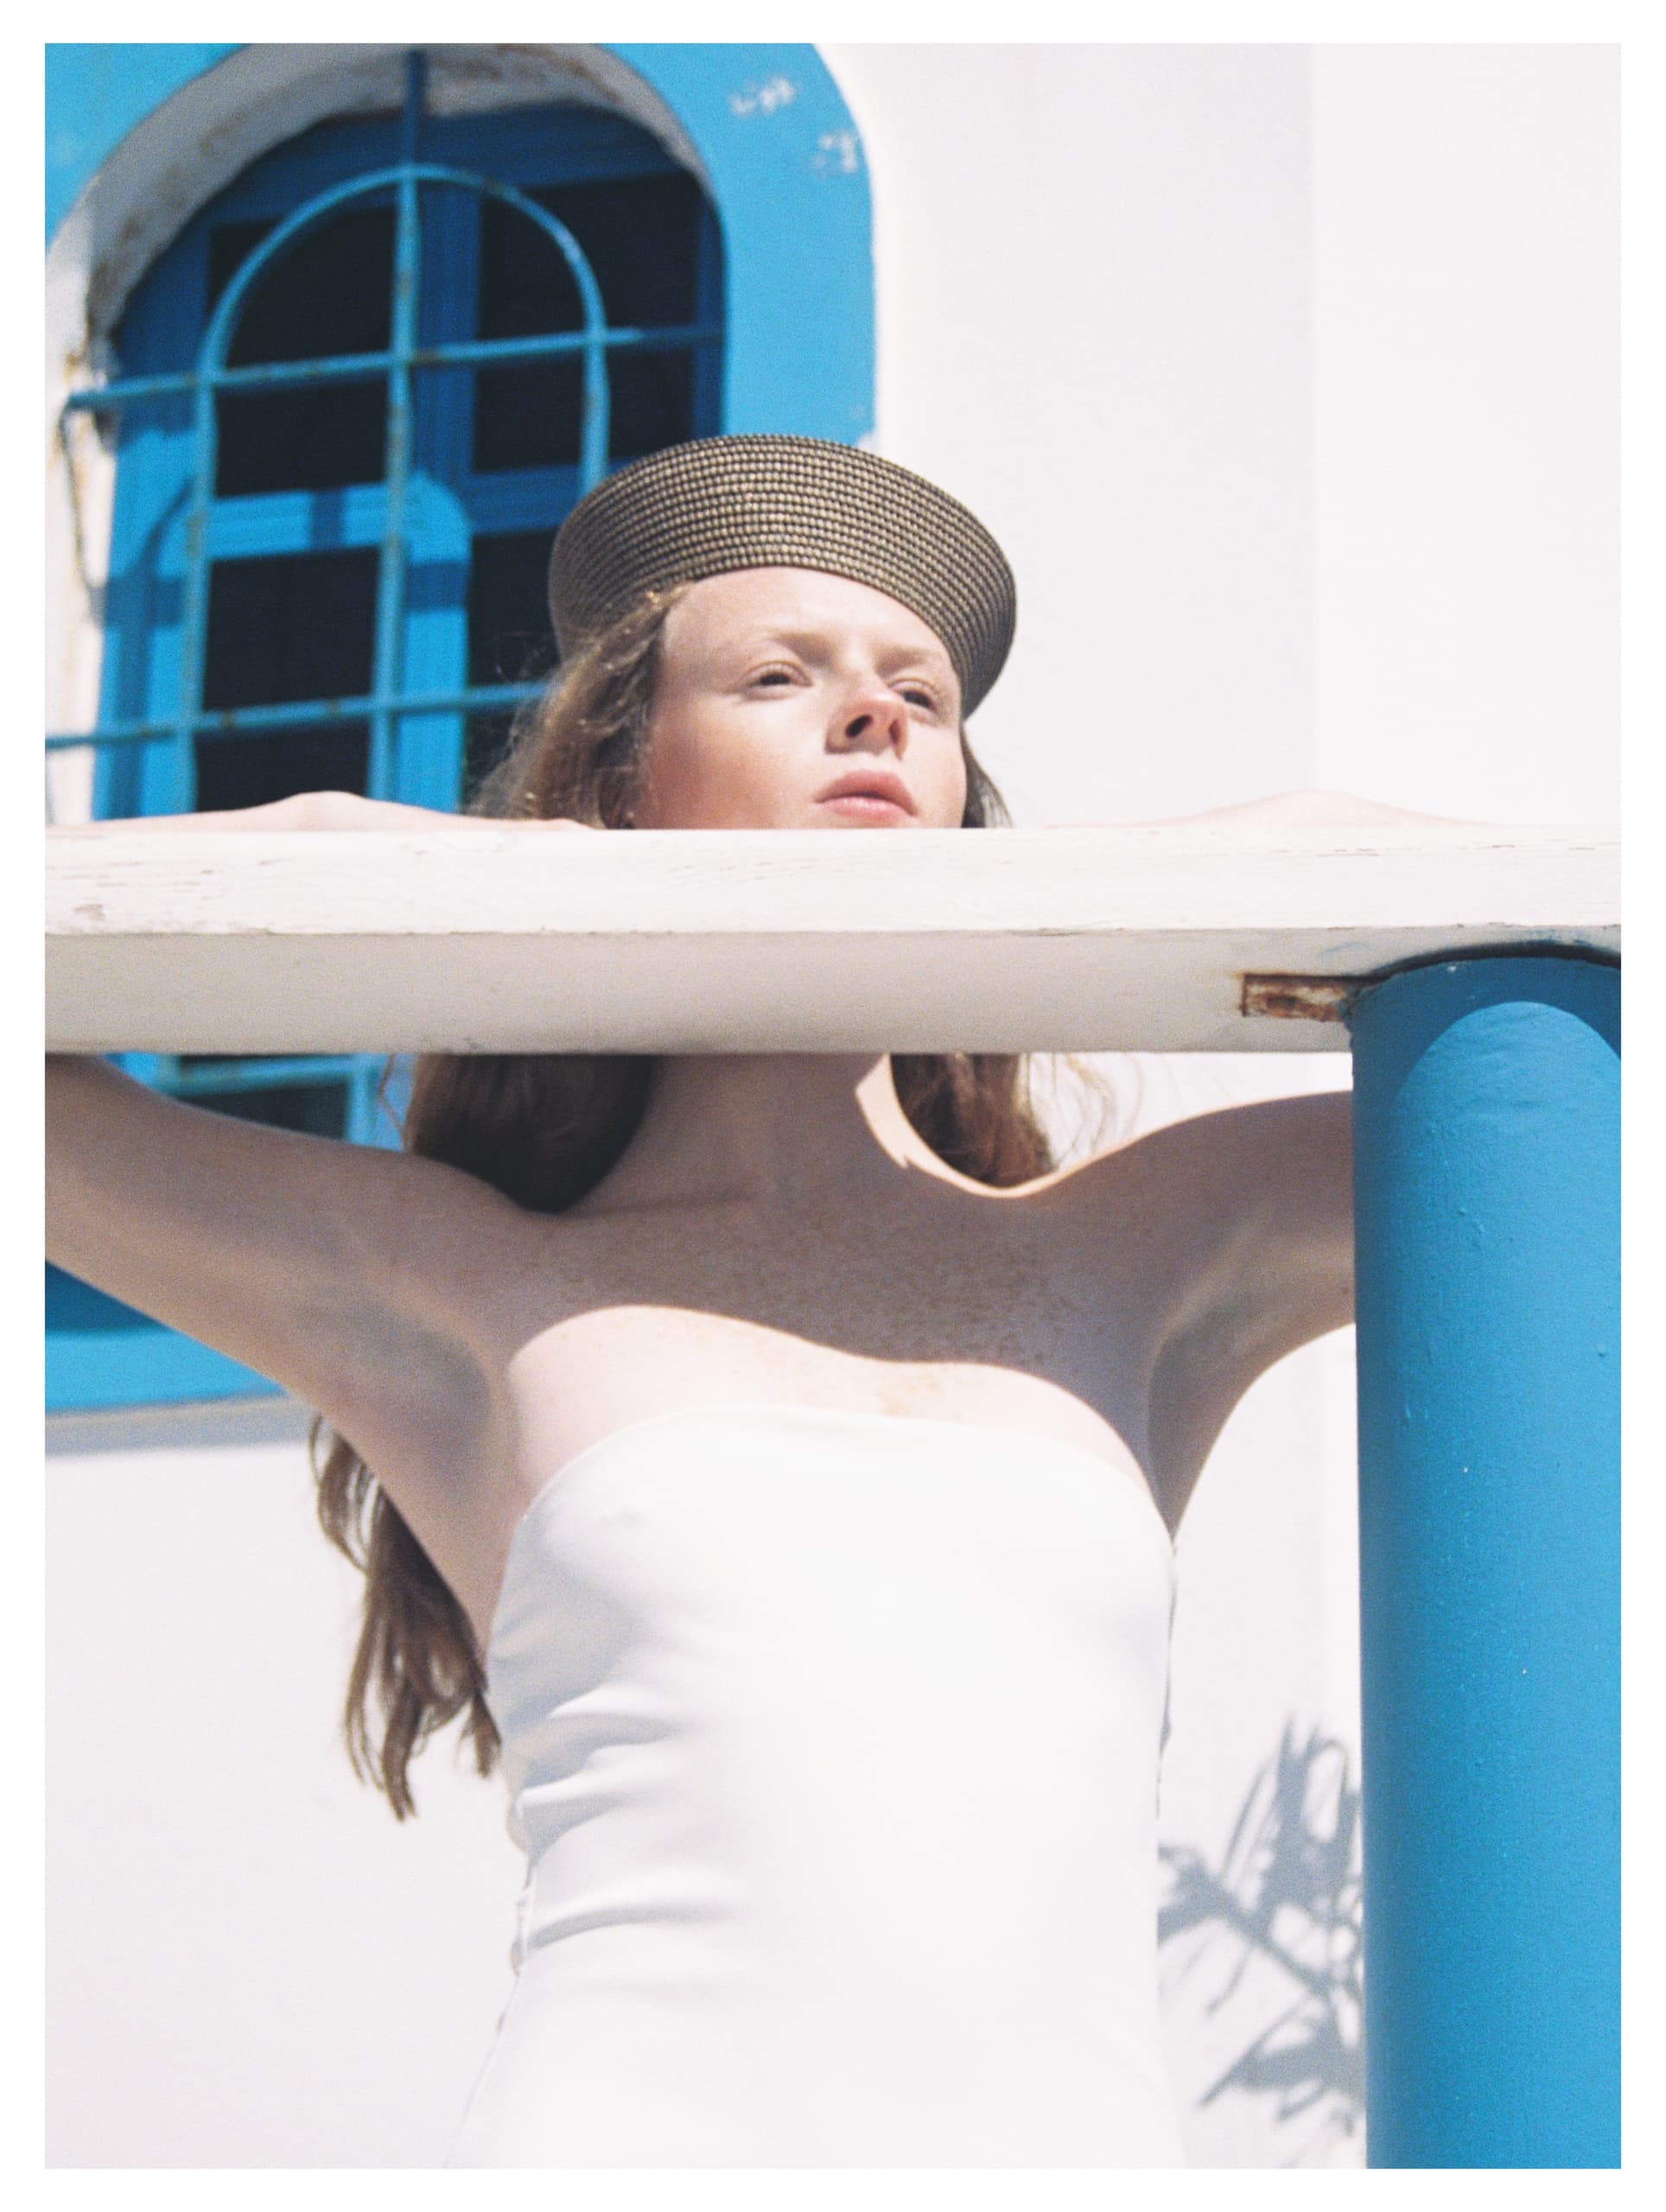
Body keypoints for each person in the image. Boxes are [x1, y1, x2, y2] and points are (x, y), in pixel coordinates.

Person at [48, 433, 1377, 2167]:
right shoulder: (469, 1290)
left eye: (921, 695)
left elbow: (1579, 1036)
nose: (873, 715)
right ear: (618, 778)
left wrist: (1095, 881)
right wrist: (374, 852)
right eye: (778, 675)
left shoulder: (1133, 1253)